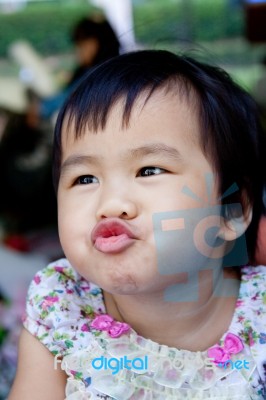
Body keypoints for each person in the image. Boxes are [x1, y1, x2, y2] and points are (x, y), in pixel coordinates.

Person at [9, 50, 266, 399]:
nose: (111, 204)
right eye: (85, 178)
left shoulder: (261, 311)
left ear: (231, 211)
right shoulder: (61, 307)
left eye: (149, 170)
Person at [39, 15, 121, 119]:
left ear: (93, 44)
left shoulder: (96, 74)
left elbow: (65, 101)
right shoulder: (113, 69)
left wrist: (40, 108)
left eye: (80, 44)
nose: (77, 51)